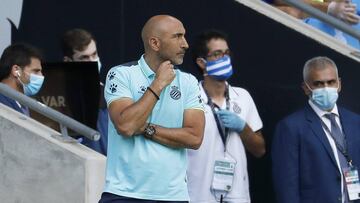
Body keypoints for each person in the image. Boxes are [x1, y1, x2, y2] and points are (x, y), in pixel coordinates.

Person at [99, 15, 205, 203]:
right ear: (155, 43)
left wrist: (147, 128)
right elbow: (126, 126)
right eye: (177, 36)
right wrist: (158, 84)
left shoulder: (189, 82)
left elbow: (195, 137)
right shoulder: (120, 74)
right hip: (124, 194)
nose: (186, 44)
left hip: (173, 196)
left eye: (184, 36)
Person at [186, 30, 266, 203]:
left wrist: (242, 127)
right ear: (202, 62)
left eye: (226, 53)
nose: (224, 58)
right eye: (217, 54)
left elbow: (259, 149)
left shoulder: (242, 96)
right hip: (197, 195)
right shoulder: (189, 98)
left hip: (237, 194)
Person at [272, 56, 360, 203]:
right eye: (318, 84)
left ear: (339, 84)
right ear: (306, 88)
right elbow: (287, 187)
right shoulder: (290, 127)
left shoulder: (355, 121)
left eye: (331, 82)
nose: (326, 88)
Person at [62, 28, 108, 155]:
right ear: (68, 62)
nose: (92, 61)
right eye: (84, 58)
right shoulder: (60, 99)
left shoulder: (112, 93)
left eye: (94, 54)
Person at [0, 43, 44, 116]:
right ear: (16, 71)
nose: (41, 76)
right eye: (36, 71)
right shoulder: (2, 103)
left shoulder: (21, 103)